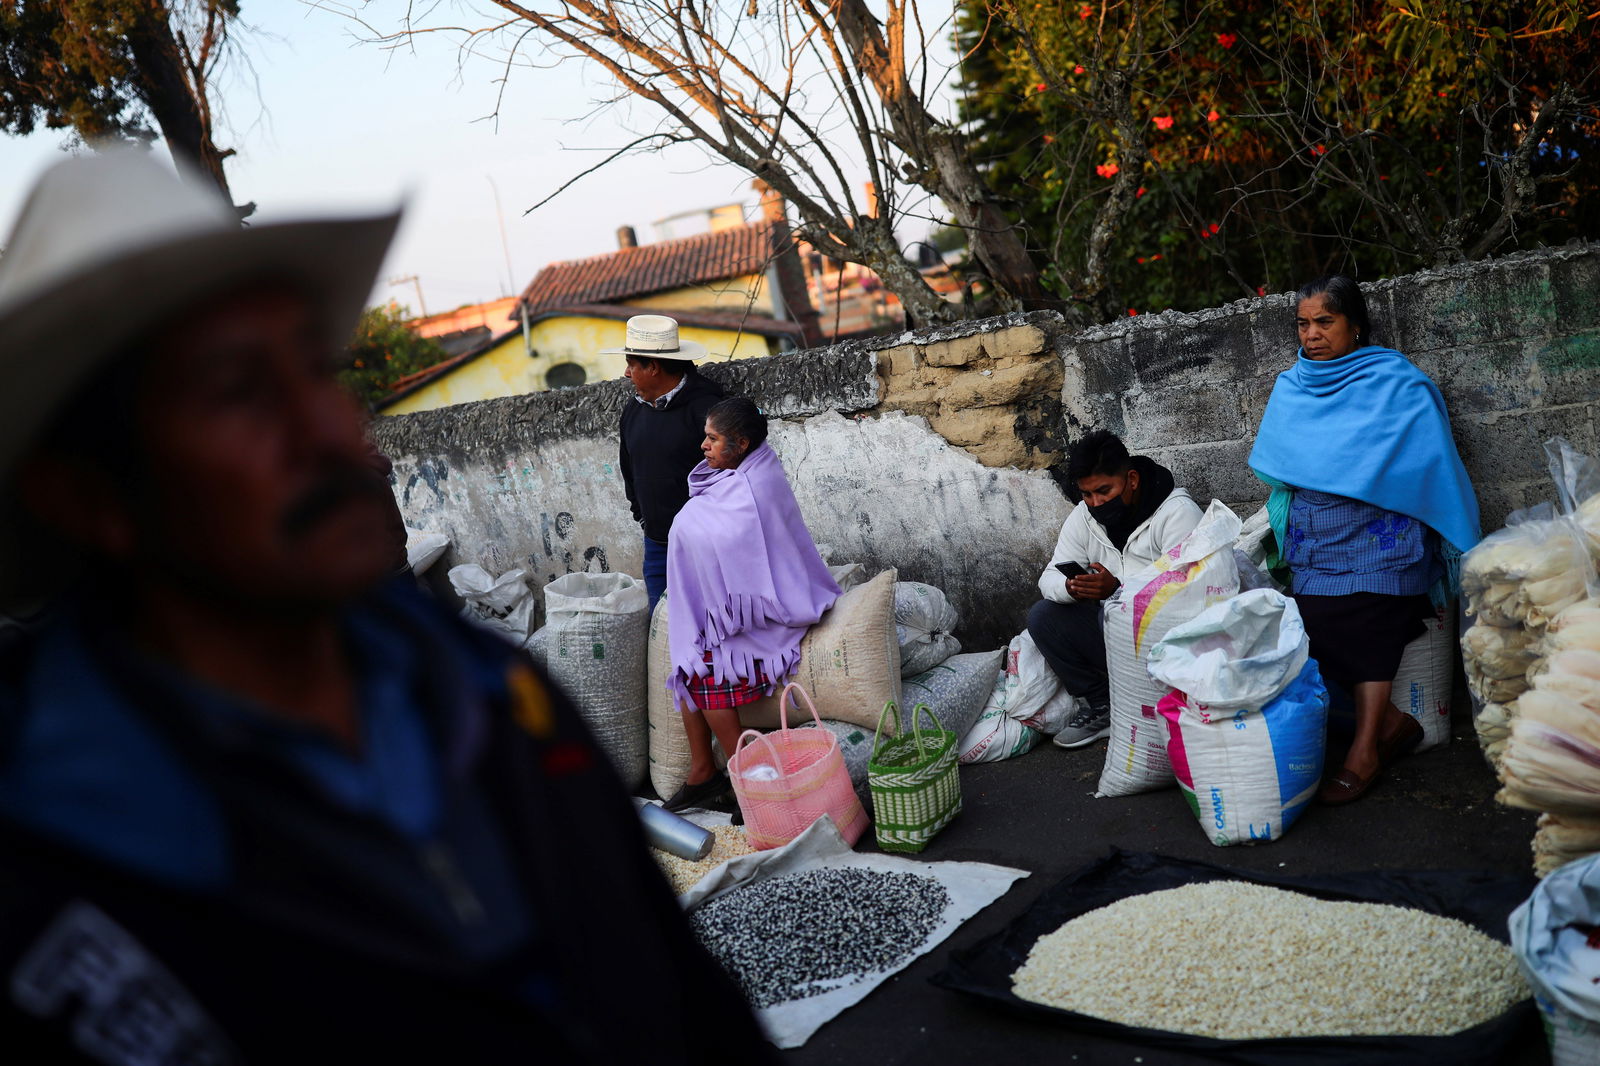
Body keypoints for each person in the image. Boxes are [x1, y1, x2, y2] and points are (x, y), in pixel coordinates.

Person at [0, 150, 772, 1063]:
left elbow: (683, 996)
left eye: (315, 370)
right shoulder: (61, 884)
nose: (330, 432)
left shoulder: (486, 692)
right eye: (240, 391)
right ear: (90, 497)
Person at [1250, 274, 1480, 806]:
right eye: (1303, 324)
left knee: (1373, 618)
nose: (1311, 335)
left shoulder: (1396, 381)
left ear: (1356, 326)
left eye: (1325, 322)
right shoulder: (1294, 386)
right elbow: (1283, 469)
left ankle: (1364, 751)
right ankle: (1394, 724)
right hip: (1319, 539)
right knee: (1314, 627)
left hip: (1384, 535)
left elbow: (1430, 461)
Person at [660, 398, 840, 811]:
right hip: (736, 614)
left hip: (768, 612)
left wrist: (692, 528)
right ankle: (703, 773)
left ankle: (747, 778)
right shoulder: (736, 477)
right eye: (705, 436)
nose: (703, 446)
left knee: (708, 675)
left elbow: (743, 553)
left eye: (713, 438)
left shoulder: (758, 483)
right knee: (686, 667)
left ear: (740, 444)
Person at [1027, 430, 1203, 748]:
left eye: (1104, 491)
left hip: (1170, 642)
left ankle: (1148, 705)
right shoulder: (1085, 516)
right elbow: (1048, 577)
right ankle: (1103, 705)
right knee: (1044, 616)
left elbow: (1188, 594)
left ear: (1131, 479)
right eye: (1087, 494)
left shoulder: (1178, 513)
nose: (1096, 503)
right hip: (1117, 636)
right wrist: (1072, 586)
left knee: (1112, 614)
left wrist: (1117, 590)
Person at [613, 314, 727, 615]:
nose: (626, 373)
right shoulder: (633, 411)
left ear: (653, 367)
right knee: (662, 628)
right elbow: (629, 468)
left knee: (712, 625)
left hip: (706, 546)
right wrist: (643, 515)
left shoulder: (709, 410)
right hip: (657, 545)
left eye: (631, 364)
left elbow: (731, 476)